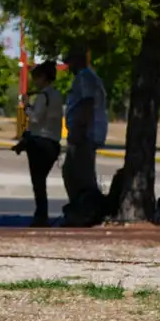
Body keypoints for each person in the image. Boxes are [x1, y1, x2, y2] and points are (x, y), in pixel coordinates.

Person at [61, 47, 108, 227]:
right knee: (74, 172)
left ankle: (85, 213)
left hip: (84, 135)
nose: (68, 66)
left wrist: (77, 131)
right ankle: (82, 211)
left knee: (78, 175)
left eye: (70, 61)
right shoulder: (89, 77)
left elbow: (87, 104)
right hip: (87, 133)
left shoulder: (84, 78)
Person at [16, 61, 63, 227]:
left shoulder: (43, 96)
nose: (35, 82)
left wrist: (27, 105)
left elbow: (35, 118)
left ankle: (41, 215)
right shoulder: (57, 95)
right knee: (41, 180)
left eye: (36, 78)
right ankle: (42, 214)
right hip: (53, 142)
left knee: (38, 182)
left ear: (43, 78)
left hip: (40, 141)